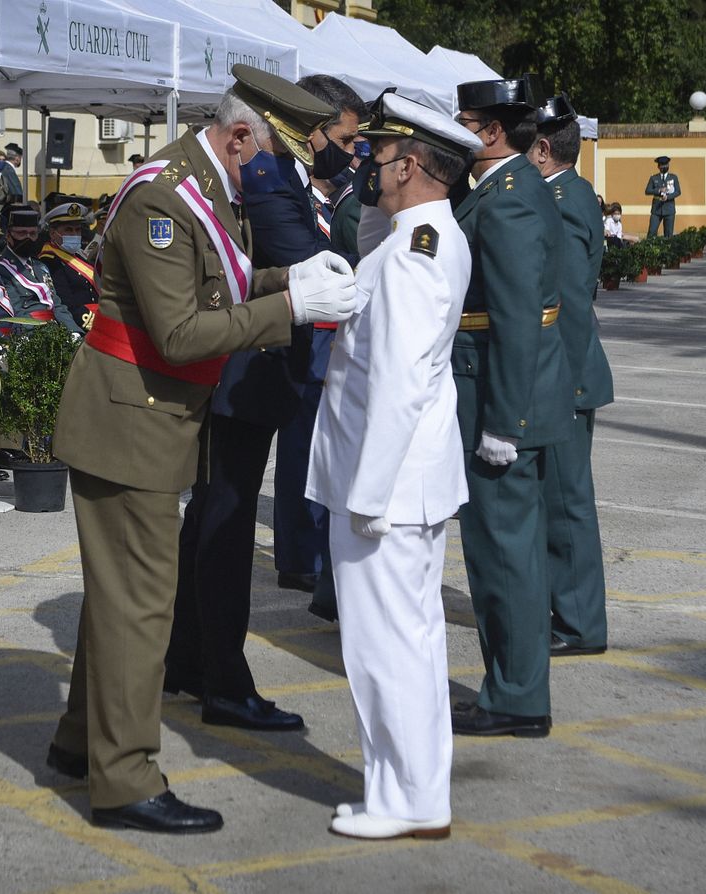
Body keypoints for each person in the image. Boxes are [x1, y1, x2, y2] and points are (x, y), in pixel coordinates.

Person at [43, 64, 357, 834]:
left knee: (119, 603)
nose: (277, 172)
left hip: (148, 418)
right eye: (273, 156)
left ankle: (82, 745)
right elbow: (183, 332)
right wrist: (291, 307)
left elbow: (224, 282)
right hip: (131, 421)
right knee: (142, 608)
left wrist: (289, 274)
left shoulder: (208, 184)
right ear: (241, 134)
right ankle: (124, 782)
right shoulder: (165, 197)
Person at [162, 71, 362, 735]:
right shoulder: (270, 178)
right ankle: (224, 681)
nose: (328, 149)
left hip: (245, 377)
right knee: (224, 533)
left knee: (211, 528)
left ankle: (188, 660)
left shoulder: (274, 172)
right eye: (324, 134)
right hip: (240, 380)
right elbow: (306, 261)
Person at [307, 91, 478, 842]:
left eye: (379, 156)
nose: (364, 164)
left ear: (410, 165)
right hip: (407, 479)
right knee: (406, 642)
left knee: (385, 650)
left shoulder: (415, 258)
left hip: (386, 487)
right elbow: (376, 237)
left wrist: (366, 494)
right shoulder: (426, 235)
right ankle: (403, 788)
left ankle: (409, 799)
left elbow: (401, 386)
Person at [449, 76, 571, 740]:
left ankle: (518, 696)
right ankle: (511, 687)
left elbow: (520, 317)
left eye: (464, 121)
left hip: (497, 392)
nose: (456, 131)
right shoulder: (499, 191)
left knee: (505, 552)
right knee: (501, 549)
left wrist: (504, 422)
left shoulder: (510, 200)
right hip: (490, 383)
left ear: (492, 131)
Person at [527, 96, 615, 659]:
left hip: (565, 377)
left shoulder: (558, 203)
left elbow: (567, 307)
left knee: (565, 503)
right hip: (566, 375)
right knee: (560, 500)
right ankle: (567, 611)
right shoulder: (571, 193)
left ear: (541, 149)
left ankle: (579, 623)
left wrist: (560, 383)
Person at [272, 74, 365, 597]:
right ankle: (299, 554)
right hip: (305, 335)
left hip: (336, 337)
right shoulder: (283, 187)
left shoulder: (343, 194)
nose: (354, 153)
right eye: (346, 141)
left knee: (325, 448)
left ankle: (312, 549)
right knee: (302, 446)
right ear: (315, 132)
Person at [0, 203, 81, 331]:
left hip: (53, 332)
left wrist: (75, 332)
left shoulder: (40, 266)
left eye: (32, 234)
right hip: (29, 333)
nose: (28, 238)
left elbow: (57, 306)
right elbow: (16, 311)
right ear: (8, 235)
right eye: (22, 233)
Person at [38, 200, 98, 329]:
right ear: (53, 234)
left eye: (77, 230)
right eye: (68, 230)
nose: (75, 234)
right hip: (79, 326)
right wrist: (96, 324)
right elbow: (67, 304)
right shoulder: (50, 261)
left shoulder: (79, 256)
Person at [645, 155, 680, 237]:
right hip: (656, 209)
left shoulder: (673, 177)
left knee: (668, 234)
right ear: (658, 166)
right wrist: (658, 190)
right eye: (662, 165)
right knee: (652, 231)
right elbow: (647, 191)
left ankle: (667, 249)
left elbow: (678, 191)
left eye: (666, 164)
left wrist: (668, 197)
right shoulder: (654, 178)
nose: (664, 166)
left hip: (669, 208)